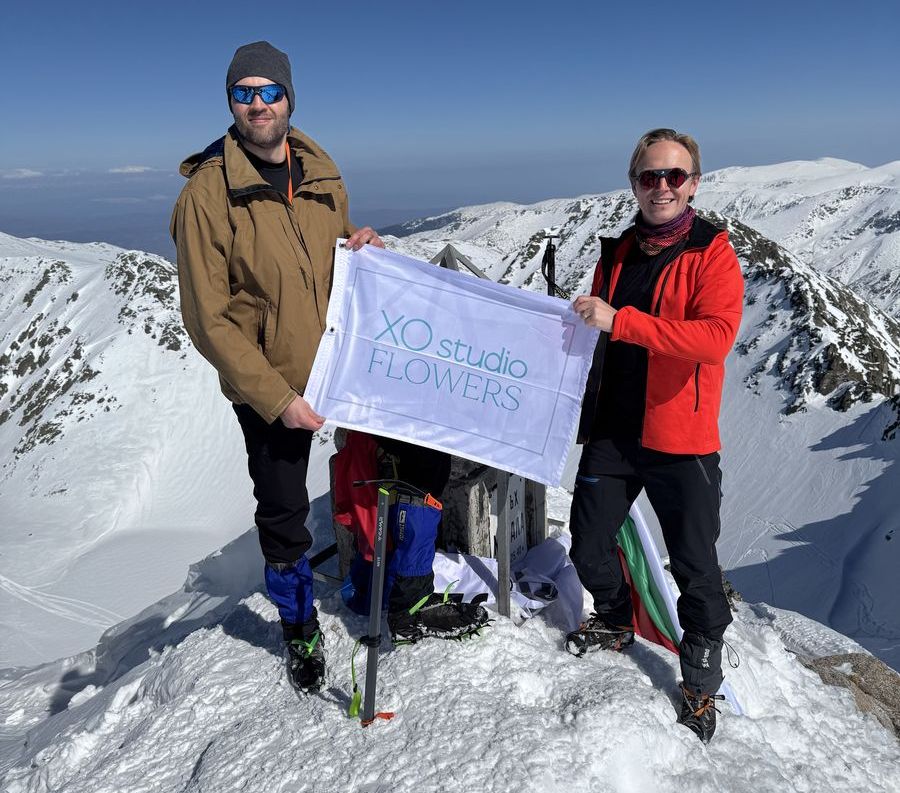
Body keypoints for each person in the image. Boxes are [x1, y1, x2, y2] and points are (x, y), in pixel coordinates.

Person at [172, 42, 484, 694]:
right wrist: (279, 397)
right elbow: (209, 320)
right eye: (244, 93)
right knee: (284, 514)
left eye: (269, 91)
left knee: (422, 449)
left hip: (346, 360)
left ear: (289, 97)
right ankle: (299, 628)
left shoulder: (320, 169)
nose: (258, 104)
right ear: (230, 102)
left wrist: (360, 245)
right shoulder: (209, 194)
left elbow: (333, 250)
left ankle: (409, 591)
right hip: (272, 380)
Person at [565, 128, 744, 743]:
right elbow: (597, 333)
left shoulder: (712, 253)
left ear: (694, 183)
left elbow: (714, 337)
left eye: (675, 176)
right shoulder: (615, 254)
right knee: (586, 544)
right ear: (634, 182)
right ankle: (615, 617)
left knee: (695, 567)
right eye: (650, 176)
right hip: (615, 430)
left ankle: (698, 682)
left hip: (681, 439)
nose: (662, 187)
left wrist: (624, 321)